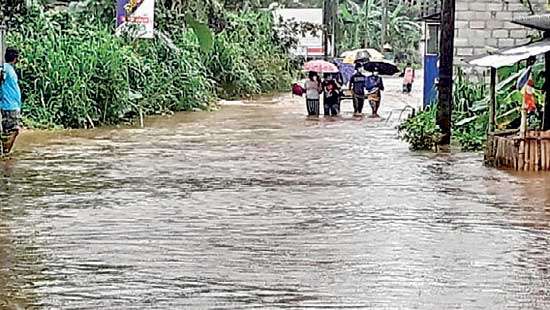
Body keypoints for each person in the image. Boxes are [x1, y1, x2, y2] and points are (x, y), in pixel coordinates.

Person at [1, 48, 22, 154]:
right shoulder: (5, 68)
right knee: (13, 130)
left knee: (10, 130)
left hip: (11, 104)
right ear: (15, 58)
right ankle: (5, 152)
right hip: (9, 105)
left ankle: (5, 151)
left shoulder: (8, 68)